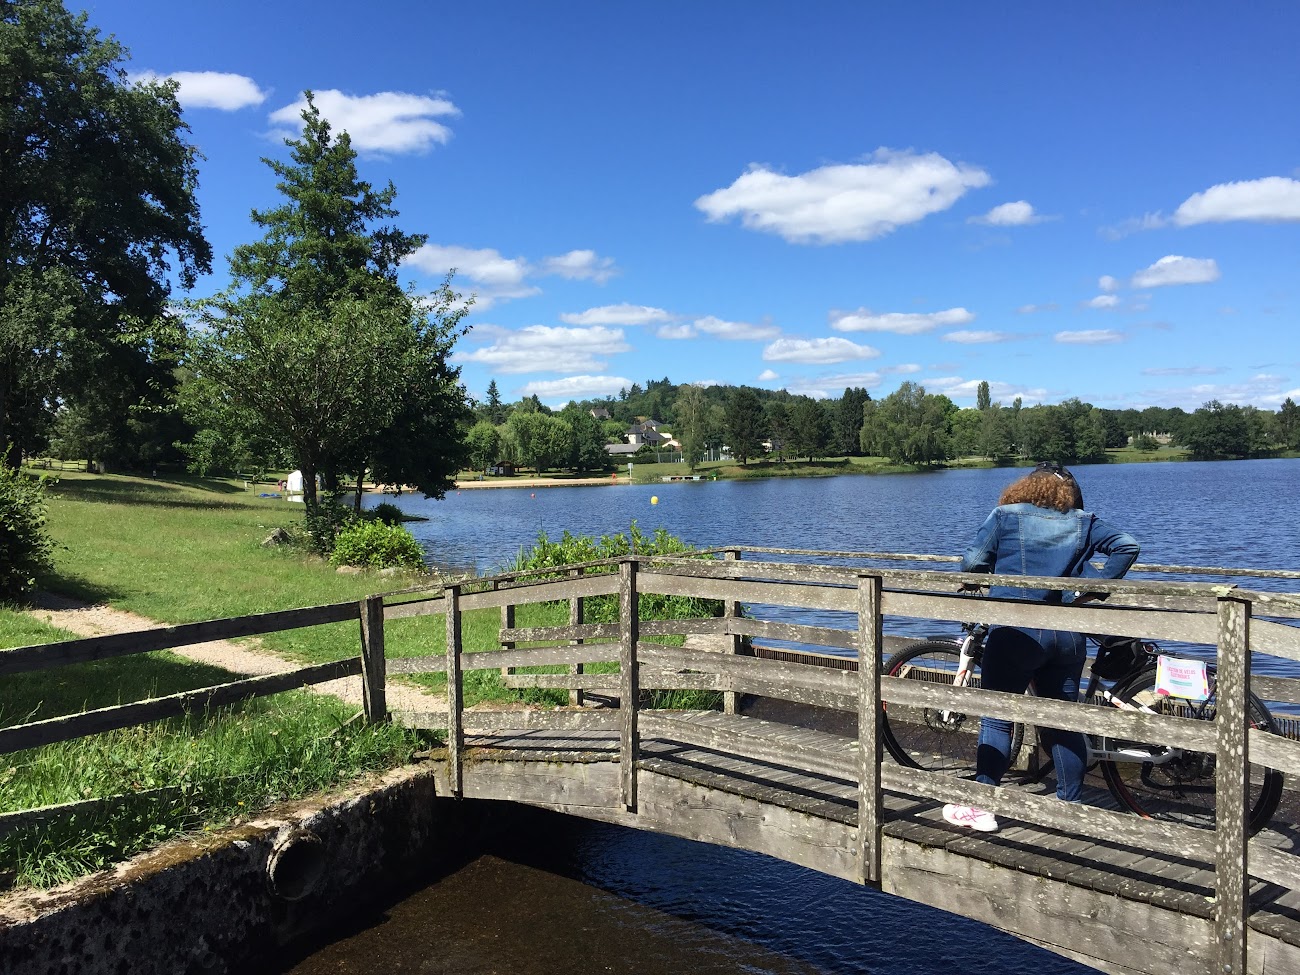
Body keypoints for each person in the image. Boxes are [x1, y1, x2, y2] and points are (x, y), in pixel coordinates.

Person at [942, 462, 1141, 833]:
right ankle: (1070, 809)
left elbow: (972, 562)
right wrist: (1095, 587)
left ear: (1024, 487)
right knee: (1061, 722)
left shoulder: (1005, 516)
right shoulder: (1083, 520)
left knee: (997, 717)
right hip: (1066, 633)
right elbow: (1127, 546)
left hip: (1016, 630)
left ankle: (983, 806)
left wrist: (976, 580)